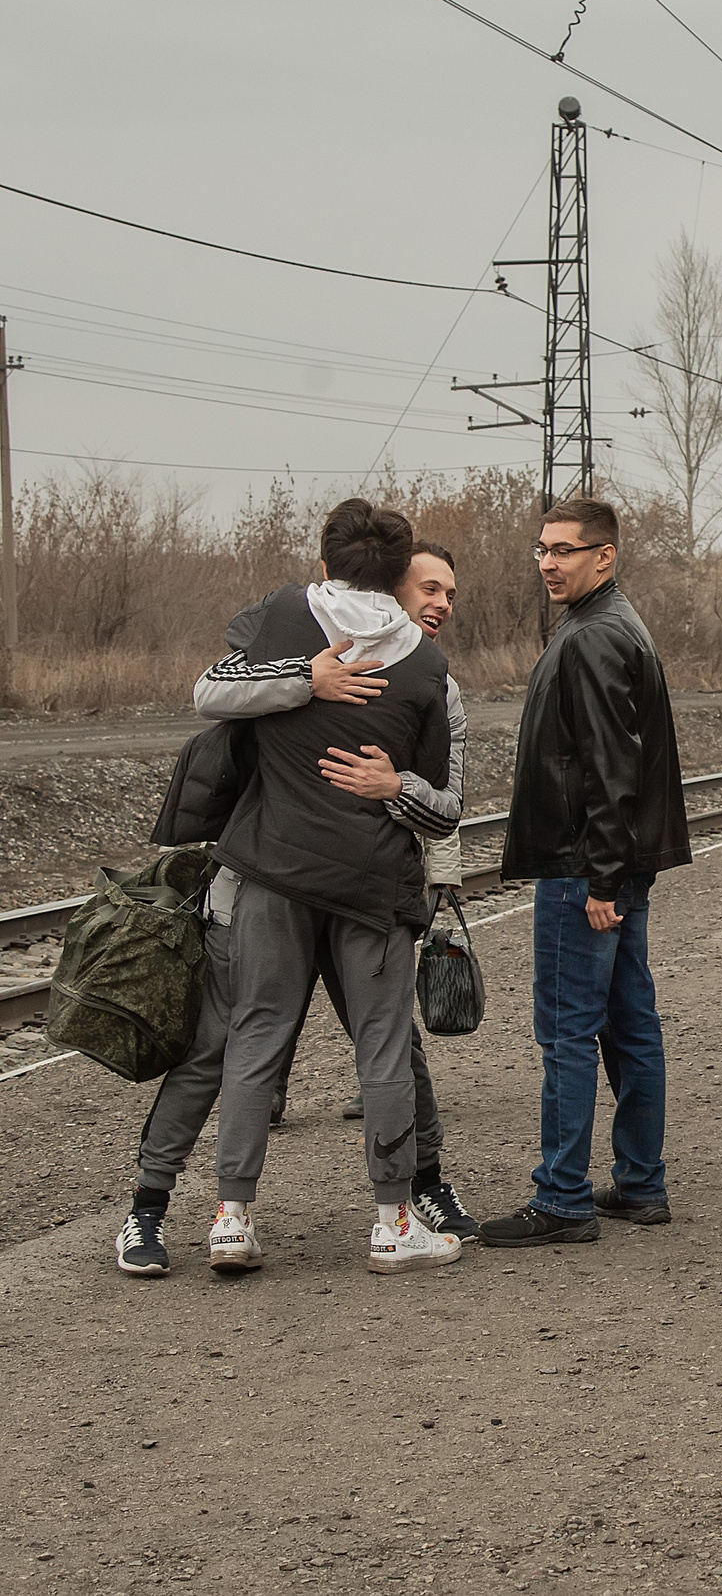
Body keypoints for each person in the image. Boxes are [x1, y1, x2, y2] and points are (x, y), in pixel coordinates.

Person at [118, 540, 478, 1276]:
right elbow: (214, 687)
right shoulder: (290, 630)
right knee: (218, 1048)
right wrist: (303, 678)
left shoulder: (436, 680)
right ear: (383, 586)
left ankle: (422, 1190)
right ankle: (148, 1208)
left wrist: (422, 848)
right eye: (426, 587)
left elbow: (447, 803)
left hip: (353, 887)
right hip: (270, 879)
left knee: (390, 1052)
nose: (438, 602)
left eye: (448, 591)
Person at [481, 499, 691, 1247]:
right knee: (631, 1023)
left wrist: (601, 878)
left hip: (584, 867)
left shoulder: (596, 635)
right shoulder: (609, 622)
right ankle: (640, 1182)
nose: (548, 562)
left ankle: (562, 1196)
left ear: (605, 556)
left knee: (568, 1029)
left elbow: (611, 767)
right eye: (542, 549)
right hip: (609, 862)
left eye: (565, 550)